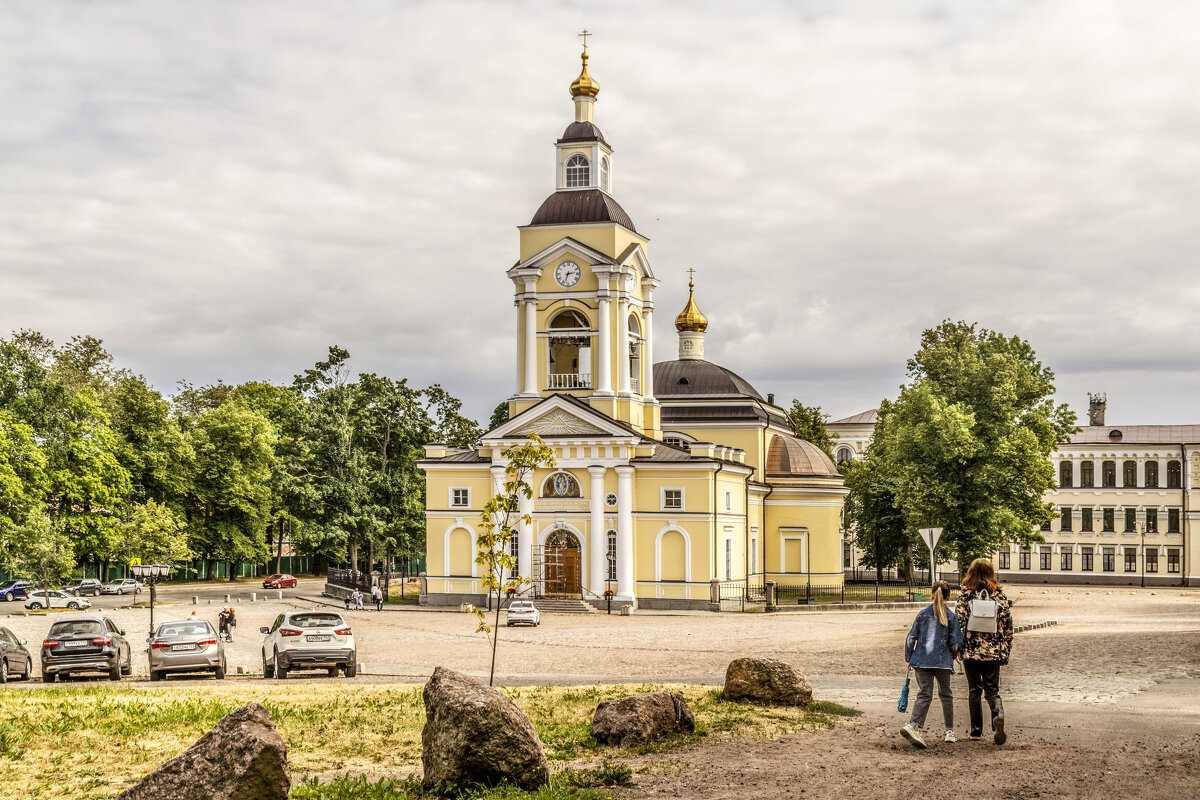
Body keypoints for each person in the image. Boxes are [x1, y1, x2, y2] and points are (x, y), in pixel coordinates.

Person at [955, 557, 1014, 745]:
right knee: (992, 691)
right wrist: (1006, 649)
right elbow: (1007, 624)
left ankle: (975, 731)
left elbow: (959, 622)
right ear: (991, 574)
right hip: (993, 651)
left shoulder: (965, 594)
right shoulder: (999, 595)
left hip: (971, 650)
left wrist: (957, 647)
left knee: (974, 690)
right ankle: (998, 718)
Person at [900, 580, 963, 749]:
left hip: (921, 660)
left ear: (932, 595)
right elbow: (955, 642)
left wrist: (908, 657)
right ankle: (949, 731)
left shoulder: (922, 614)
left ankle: (914, 726)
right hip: (942, 662)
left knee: (924, 694)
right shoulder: (951, 617)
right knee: (946, 695)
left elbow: (911, 637)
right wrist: (956, 654)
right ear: (948, 597)